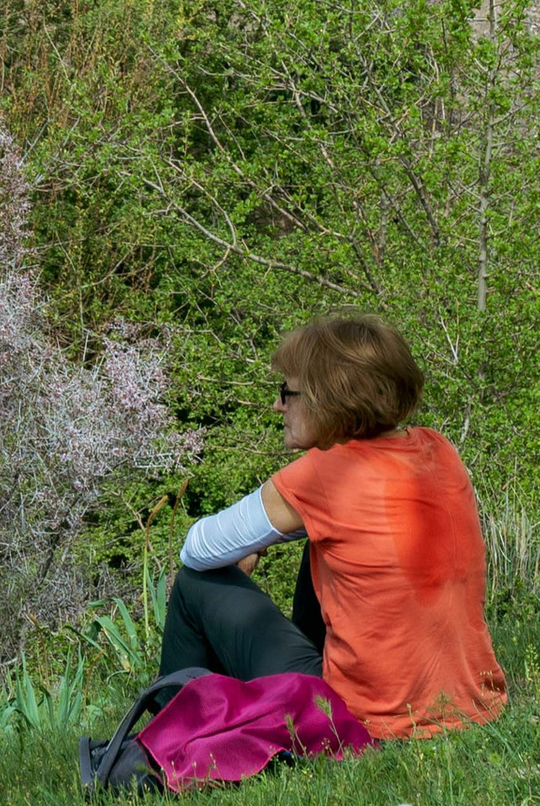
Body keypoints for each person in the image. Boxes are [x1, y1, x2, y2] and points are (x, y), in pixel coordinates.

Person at [155, 314, 507, 741]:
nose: (278, 406)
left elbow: (198, 547)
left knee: (196, 581)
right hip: (469, 706)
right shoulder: (438, 449)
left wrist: (248, 550)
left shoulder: (326, 476)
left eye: (288, 392)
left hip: (363, 720)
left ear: (328, 397)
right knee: (317, 542)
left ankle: (171, 733)